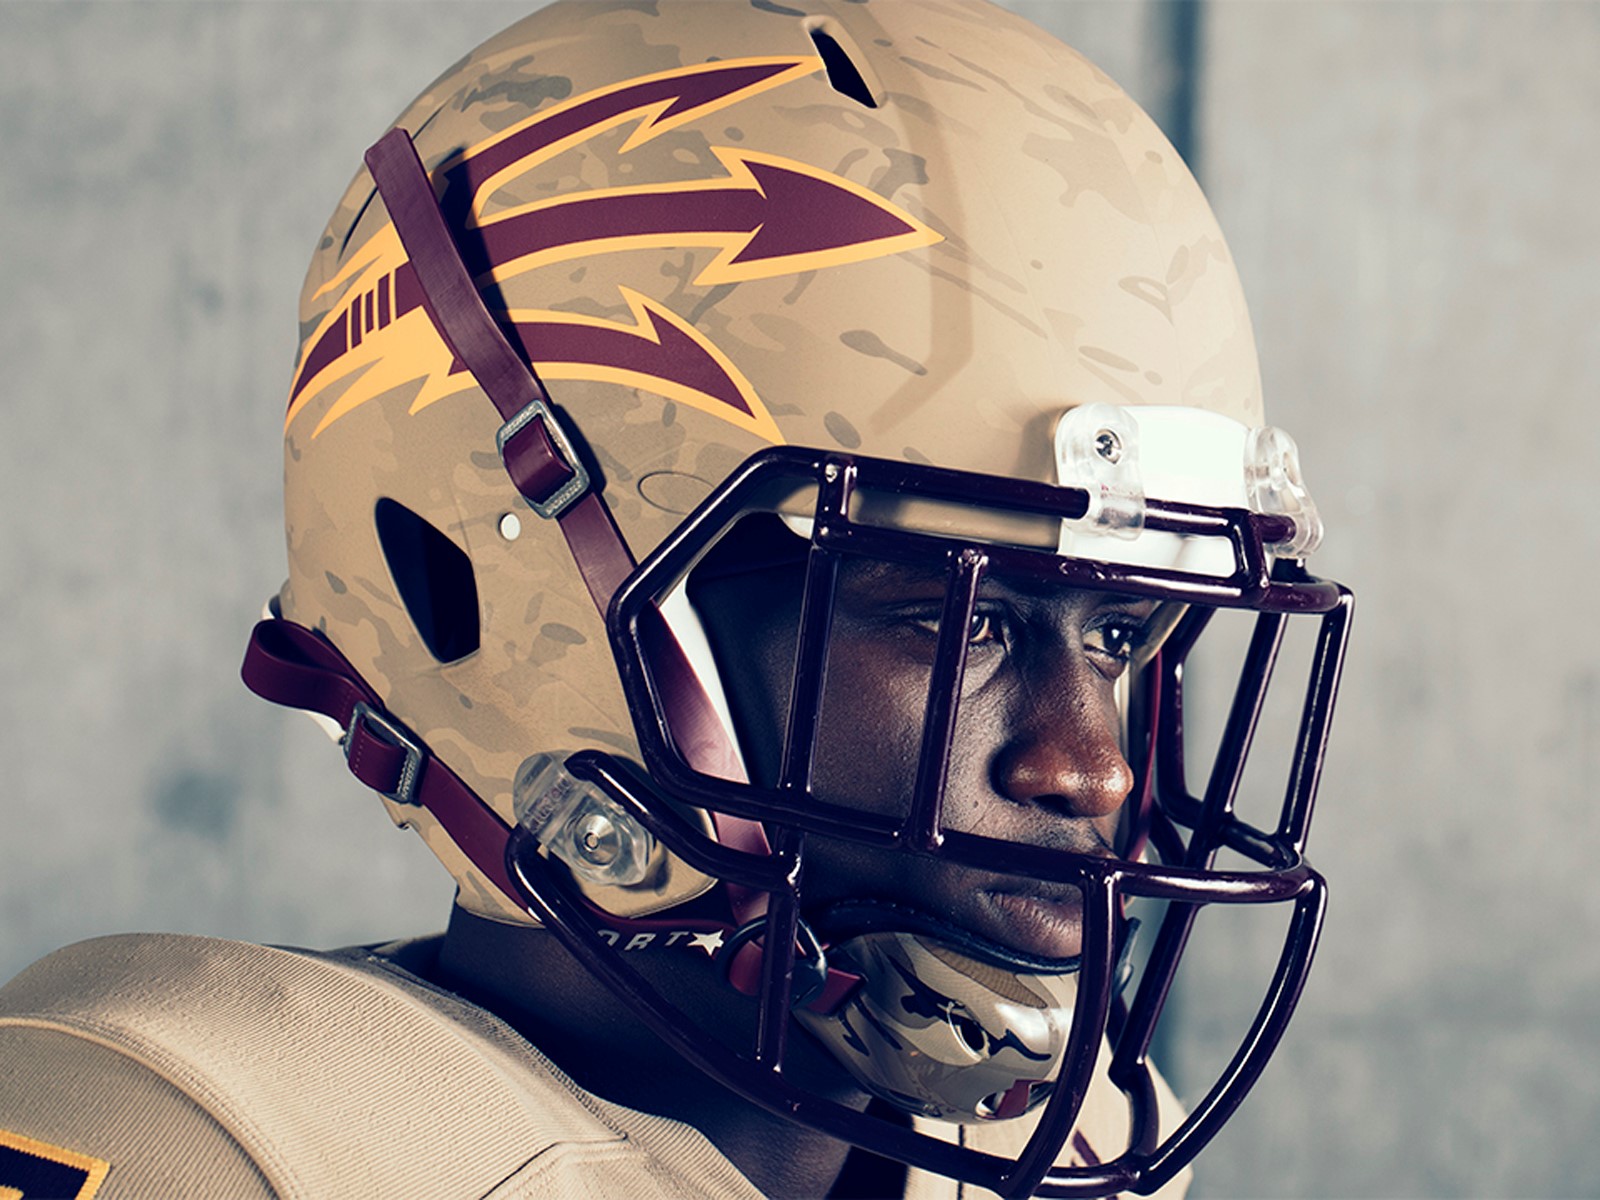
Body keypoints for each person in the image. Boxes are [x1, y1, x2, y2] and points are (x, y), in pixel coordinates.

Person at [0, 2, 1352, 1197]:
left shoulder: (1066, 1143)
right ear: (475, 584)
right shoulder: (211, 1144)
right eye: (960, 621)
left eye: (1118, 634)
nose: (1092, 766)